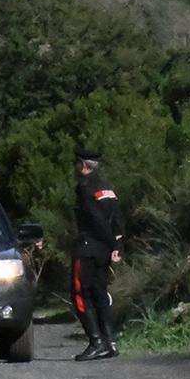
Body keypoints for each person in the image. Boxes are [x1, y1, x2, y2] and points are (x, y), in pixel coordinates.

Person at [70, 147, 125, 361]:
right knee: (101, 294)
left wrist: (110, 242)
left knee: (80, 295)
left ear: (83, 166)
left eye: (76, 164)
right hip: (104, 250)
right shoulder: (107, 188)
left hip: (88, 247)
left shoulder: (84, 188)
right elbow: (118, 219)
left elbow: (96, 220)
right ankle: (110, 342)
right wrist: (117, 246)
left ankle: (96, 342)